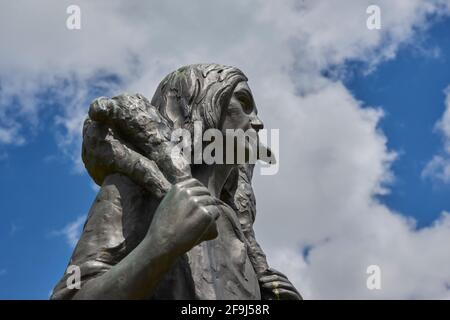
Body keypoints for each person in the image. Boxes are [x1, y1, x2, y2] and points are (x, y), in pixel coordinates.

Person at [50, 64, 301, 300]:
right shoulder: (133, 188)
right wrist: (160, 245)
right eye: (243, 103)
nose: (258, 122)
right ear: (199, 108)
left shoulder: (235, 225)